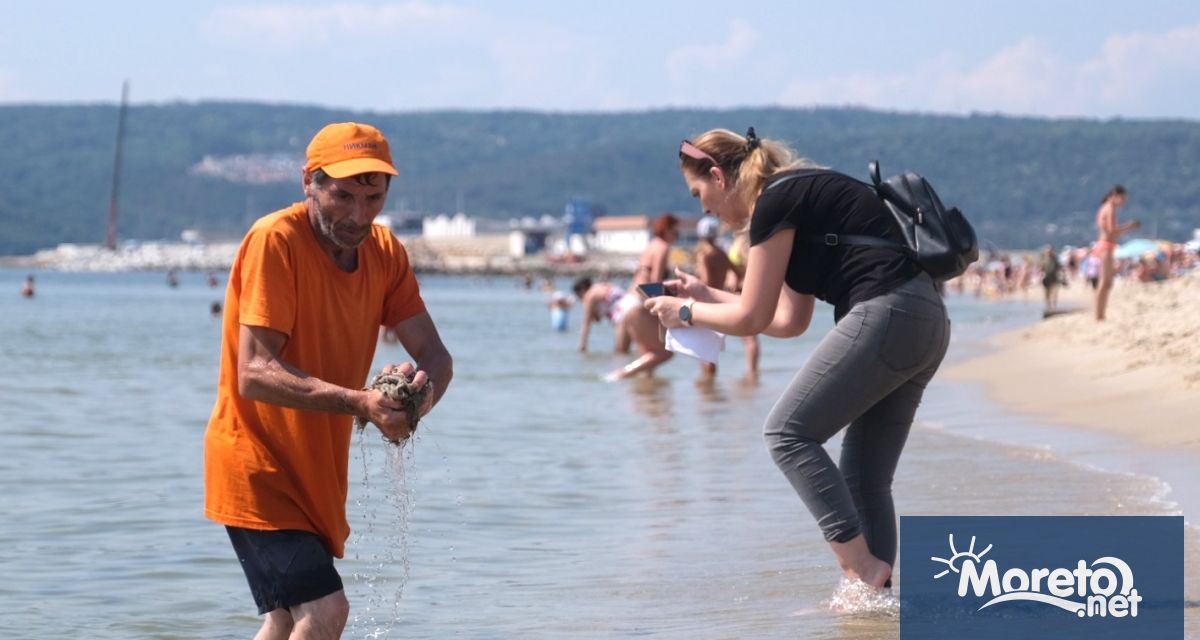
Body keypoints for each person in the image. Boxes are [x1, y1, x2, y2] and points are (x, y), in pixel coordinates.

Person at [645, 128, 950, 591]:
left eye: (699, 193)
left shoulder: (774, 202)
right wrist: (706, 295)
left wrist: (684, 312)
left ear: (717, 175)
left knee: (786, 434)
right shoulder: (791, 194)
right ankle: (870, 596)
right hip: (923, 319)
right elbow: (787, 319)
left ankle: (860, 569)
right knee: (865, 478)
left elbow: (751, 317)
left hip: (888, 313)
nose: (702, 208)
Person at [203, 122, 454, 639]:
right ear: (308, 182)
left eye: (373, 197)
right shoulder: (277, 239)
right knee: (325, 613)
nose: (358, 216)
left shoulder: (385, 254)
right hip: (257, 468)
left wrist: (413, 404)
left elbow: (435, 355)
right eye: (341, 196)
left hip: (316, 476)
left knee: (282, 622)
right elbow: (253, 373)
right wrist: (361, 403)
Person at [694, 215, 732, 379]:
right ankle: (711, 388)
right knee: (712, 349)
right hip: (720, 302)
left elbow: (706, 281)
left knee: (704, 350)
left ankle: (707, 388)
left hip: (706, 303)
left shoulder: (704, 256)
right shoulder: (722, 254)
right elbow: (738, 272)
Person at [1092, 185, 1139, 321]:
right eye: (1123, 199)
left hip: (1106, 245)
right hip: (1105, 246)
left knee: (1107, 283)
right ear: (1115, 195)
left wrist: (1127, 228)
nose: (1123, 202)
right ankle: (1099, 315)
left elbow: (1112, 231)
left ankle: (1100, 314)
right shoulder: (1110, 208)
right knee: (1104, 282)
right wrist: (1129, 226)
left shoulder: (1105, 207)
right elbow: (1112, 231)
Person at [725, 231, 761, 379]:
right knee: (746, 336)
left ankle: (752, 372)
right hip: (737, 291)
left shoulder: (745, 241)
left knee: (749, 336)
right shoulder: (738, 241)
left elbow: (749, 267)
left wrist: (741, 285)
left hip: (742, 291)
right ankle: (752, 372)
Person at [573, 277, 638, 353]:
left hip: (623, 313)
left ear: (582, 290)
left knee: (620, 353)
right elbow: (598, 318)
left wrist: (582, 345)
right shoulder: (602, 286)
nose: (580, 299)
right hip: (635, 304)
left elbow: (586, 323)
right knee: (630, 351)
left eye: (578, 296)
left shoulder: (589, 295)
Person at [1038, 244, 1063, 312]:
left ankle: (1054, 307)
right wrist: (1040, 276)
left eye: (1050, 250)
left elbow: (1060, 267)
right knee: (1047, 293)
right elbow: (1040, 268)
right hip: (1046, 279)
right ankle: (1048, 306)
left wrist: (1061, 275)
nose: (1049, 251)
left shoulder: (1055, 258)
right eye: (1048, 250)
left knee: (1055, 292)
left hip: (1054, 278)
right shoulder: (1043, 258)